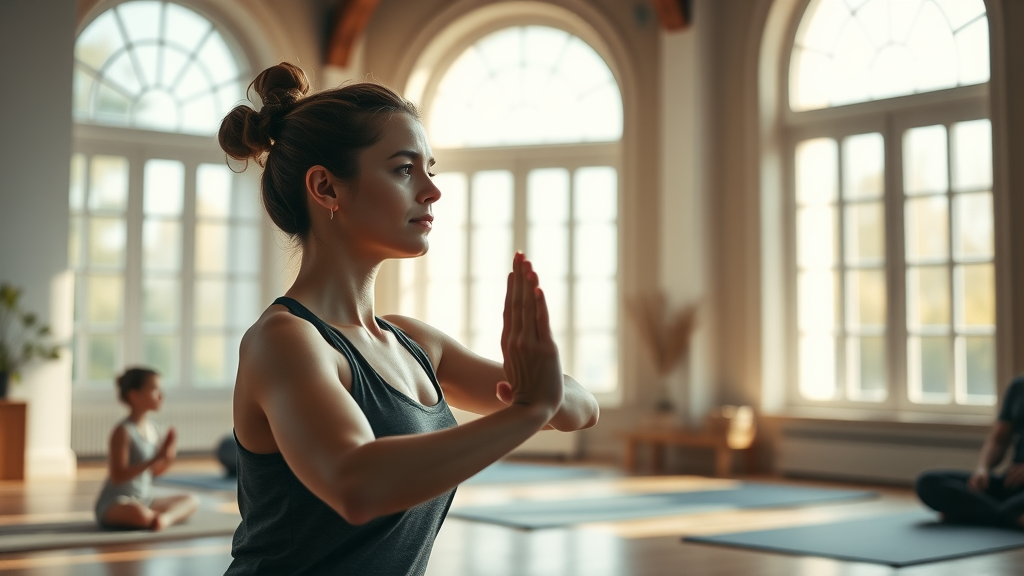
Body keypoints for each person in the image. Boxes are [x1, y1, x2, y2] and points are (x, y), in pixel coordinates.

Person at [218, 62, 600, 575]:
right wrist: (528, 410)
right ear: (326, 188)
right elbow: (357, 485)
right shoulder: (284, 341)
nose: (431, 191)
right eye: (404, 169)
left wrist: (544, 390)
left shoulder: (414, 343)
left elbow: (579, 408)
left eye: (430, 170)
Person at [94, 367, 199, 530]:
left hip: (145, 499)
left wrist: (167, 457)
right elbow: (118, 475)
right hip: (118, 502)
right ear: (134, 395)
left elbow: (155, 472)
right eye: (155, 389)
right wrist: (156, 458)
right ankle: (151, 518)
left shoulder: (154, 428)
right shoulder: (123, 430)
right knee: (138, 513)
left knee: (192, 500)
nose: (161, 395)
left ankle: (163, 519)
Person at [916, 375, 1024, 529]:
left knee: (1012, 505)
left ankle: (976, 513)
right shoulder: (1018, 386)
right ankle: (1009, 516)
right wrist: (983, 469)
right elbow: (999, 440)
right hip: (1011, 483)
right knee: (927, 482)